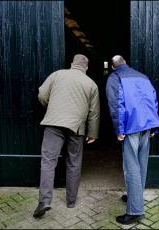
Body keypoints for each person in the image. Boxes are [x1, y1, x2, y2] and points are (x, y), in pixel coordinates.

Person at [33, 54, 100, 218]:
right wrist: (92, 134)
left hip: (53, 123)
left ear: (72, 64)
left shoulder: (57, 75)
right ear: (87, 67)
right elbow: (94, 113)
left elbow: (42, 94)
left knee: (48, 162)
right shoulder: (91, 84)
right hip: (76, 128)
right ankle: (71, 201)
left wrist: (53, 108)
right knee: (74, 163)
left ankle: (45, 201)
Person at [106, 55, 159, 225]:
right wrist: (154, 125)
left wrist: (119, 129)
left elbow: (116, 105)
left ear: (113, 66)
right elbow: (153, 101)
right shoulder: (142, 76)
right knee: (141, 165)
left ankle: (135, 211)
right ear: (125, 63)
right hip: (147, 126)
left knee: (131, 168)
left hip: (131, 127)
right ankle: (134, 197)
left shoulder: (115, 77)